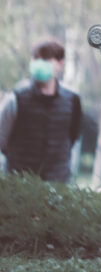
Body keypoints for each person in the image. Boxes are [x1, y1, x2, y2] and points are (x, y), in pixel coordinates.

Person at [0, 40, 83, 183]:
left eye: (45, 59)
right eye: (36, 59)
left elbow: (73, 138)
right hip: (19, 182)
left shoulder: (72, 100)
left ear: (60, 63)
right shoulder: (16, 98)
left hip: (57, 183)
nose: (39, 63)